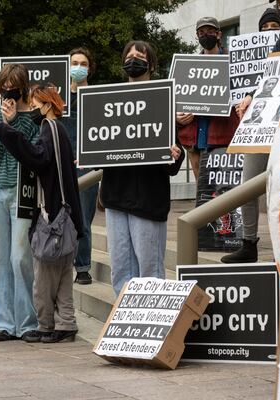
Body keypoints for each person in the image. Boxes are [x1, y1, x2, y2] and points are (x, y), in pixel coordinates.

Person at [224, 4, 280, 263]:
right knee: (249, 178)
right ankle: (249, 243)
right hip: (269, 120)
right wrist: (252, 96)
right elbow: (269, 74)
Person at [0, 84, 83, 344]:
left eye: (35, 106)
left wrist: (7, 130)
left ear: (47, 105)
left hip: (53, 215)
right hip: (68, 216)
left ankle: (46, 325)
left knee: (44, 279)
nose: (33, 110)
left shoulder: (49, 129)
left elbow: (37, 158)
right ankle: (66, 323)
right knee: (63, 276)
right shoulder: (59, 130)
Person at [102, 40, 184, 296]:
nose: (134, 59)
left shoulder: (162, 101)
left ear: (151, 64)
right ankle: (124, 323)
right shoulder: (108, 102)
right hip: (116, 198)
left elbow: (173, 161)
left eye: (140, 56)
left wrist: (175, 155)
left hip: (149, 200)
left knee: (150, 273)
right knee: (120, 271)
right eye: (129, 55)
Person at [0, 64, 39, 341]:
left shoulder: (32, 118)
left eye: (14, 86)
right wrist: (4, 124)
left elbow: (28, 153)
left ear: (23, 88)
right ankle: (4, 322)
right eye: (5, 85)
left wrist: (15, 123)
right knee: (0, 259)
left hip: (22, 190)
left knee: (20, 257)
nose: (8, 91)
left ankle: (28, 322)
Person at [177, 17, 240, 179]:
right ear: (197, 36)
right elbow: (178, 100)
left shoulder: (234, 62)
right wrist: (178, 117)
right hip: (195, 136)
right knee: (202, 191)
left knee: (224, 188)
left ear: (218, 34)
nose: (206, 35)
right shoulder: (187, 66)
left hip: (223, 135)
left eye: (210, 32)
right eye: (201, 33)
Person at [61, 47, 98, 285]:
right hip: (61, 163)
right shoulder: (58, 99)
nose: (78, 67)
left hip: (87, 166)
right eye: (74, 62)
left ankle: (82, 267)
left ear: (89, 68)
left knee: (83, 217)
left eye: (83, 63)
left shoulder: (99, 99)